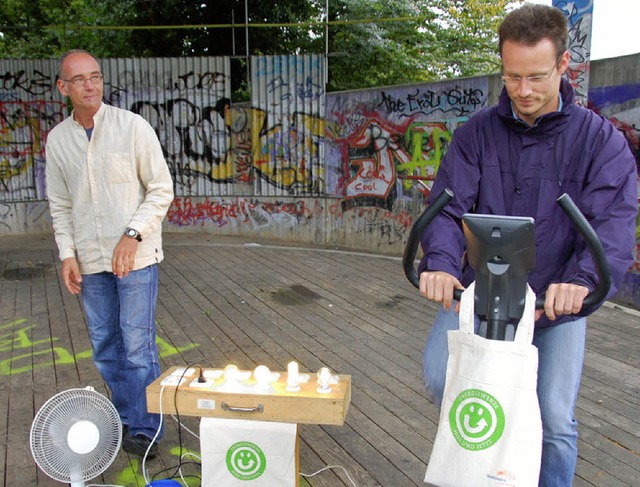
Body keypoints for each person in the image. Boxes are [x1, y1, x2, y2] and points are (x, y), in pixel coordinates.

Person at [418, 5, 638, 486]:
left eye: (536, 77)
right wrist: (438, 263)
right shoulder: (476, 134)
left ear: (563, 65)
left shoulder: (601, 143)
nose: (523, 91)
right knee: (446, 380)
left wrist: (580, 282)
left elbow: (612, 227)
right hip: (480, 292)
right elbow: (447, 207)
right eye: (512, 76)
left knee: (554, 420)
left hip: (557, 300)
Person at [45, 49, 174, 458]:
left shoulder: (132, 127)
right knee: (104, 345)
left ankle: (146, 428)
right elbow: (60, 203)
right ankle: (122, 419)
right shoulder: (58, 140)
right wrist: (67, 254)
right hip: (89, 260)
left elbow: (161, 188)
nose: (90, 84)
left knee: (137, 346)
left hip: (135, 258)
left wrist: (132, 234)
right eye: (79, 79)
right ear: (62, 88)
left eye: (96, 76)